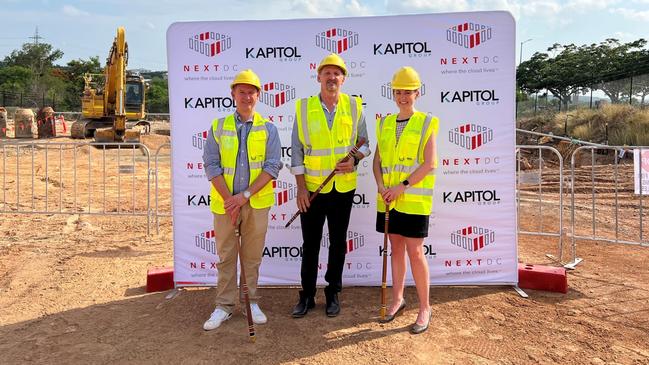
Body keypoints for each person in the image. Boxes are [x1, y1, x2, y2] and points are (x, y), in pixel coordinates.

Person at [290, 53, 370, 318]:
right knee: (310, 244)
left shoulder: (355, 106)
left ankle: (333, 292)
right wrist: (301, 189)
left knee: (337, 243)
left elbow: (365, 143)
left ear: (343, 79)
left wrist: (355, 159)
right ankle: (307, 296)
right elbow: (297, 153)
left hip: (343, 189)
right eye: (327, 73)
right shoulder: (303, 108)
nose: (332, 78)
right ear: (319, 77)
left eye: (337, 74)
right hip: (312, 189)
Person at [202, 69, 282, 331]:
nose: (246, 96)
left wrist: (244, 197)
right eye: (242, 91)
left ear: (258, 95)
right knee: (226, 255)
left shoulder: (268, 128)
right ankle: (224, 305)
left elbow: (272, 167)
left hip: (256, 203)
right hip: (225, 205)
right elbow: (211, 165)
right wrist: (231, 200)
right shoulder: (218, 127)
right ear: (233, 94)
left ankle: (251, 301)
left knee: (251, 257)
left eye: (251, 92)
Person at [372, 66, 438, 334]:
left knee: (415, 252)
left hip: (412, 201)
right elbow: (377, 161)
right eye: (398, 91)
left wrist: (402, 186)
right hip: (387, 200)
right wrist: (379, 184)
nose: (402, 96)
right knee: (395, 249)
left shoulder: (426, 122)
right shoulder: (384, 123)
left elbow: (429, 163)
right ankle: (398, 298)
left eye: (407, 92)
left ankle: (425, 307)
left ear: (417, 92)